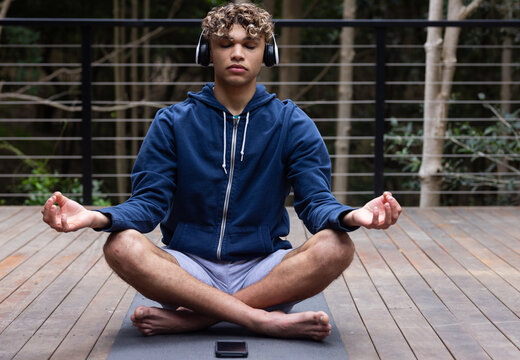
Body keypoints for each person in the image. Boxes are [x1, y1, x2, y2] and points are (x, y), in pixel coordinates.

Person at [41, 3, 401, 341]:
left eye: (250, 44)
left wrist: (352, 215)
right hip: (188, 272)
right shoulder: (172, 123)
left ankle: (197, 319)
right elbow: (147, 205)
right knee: (120, 245)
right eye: (225, 44)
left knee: (337, 246)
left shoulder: (292, 123)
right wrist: (95, 216)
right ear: (207, 52)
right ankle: (261, 319)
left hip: (264, 270)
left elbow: (315, 202)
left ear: (267, 54)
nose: (238, 53)